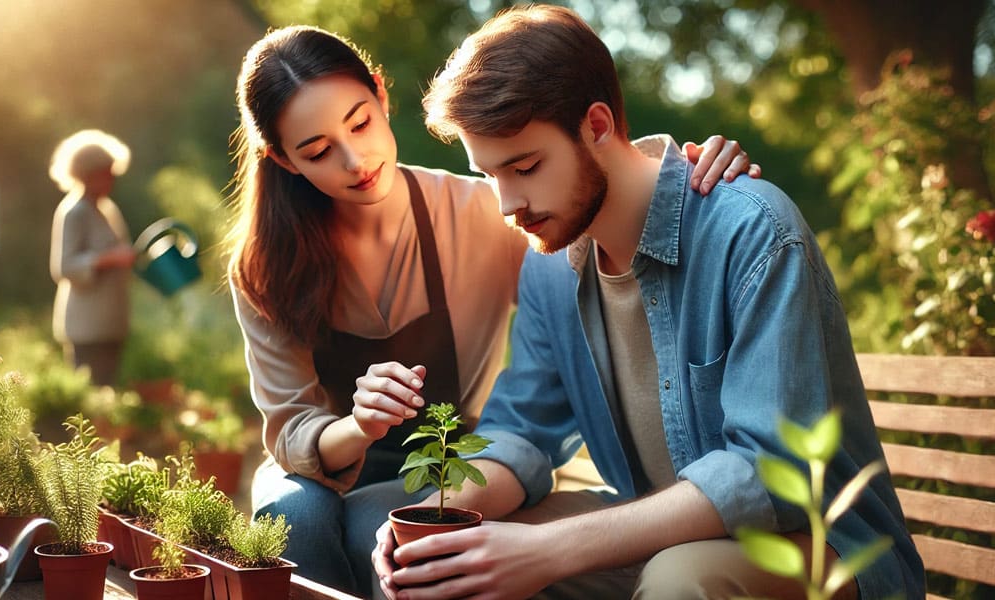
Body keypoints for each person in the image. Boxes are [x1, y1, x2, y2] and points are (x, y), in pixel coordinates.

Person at [373, 6, 924, 600]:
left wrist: (548, 550)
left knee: (678, 581)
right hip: (656, 532)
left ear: (598, 125)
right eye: (489, 176)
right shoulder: (549, 264)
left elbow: (772, 475)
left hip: (822, 546)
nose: (507, 205)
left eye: (525, 166)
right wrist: (432, 518)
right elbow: (524, 431)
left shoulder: (751, 231)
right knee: (443, 568)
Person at [224, 25, 760, 597]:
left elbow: (594, 206)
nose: (355, 160)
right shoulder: (265, 265)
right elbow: (290, 430)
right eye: (318, 151)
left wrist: (687, 174)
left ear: (381, 96)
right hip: (319, 466)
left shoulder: (489, 212)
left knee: (382, 533)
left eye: (359, 123)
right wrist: (359, 425)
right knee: (293, 521)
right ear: (283, 160)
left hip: (449, 456)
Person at [48, 129, 136, 387]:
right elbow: (64, 267)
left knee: (107, 389)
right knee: (89, 392)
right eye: (106, 173)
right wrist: (108, 259)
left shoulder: (106, 209)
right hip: (87, 326)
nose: (112, 179)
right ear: (88, 174)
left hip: (111, 321)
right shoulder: (74, 212)